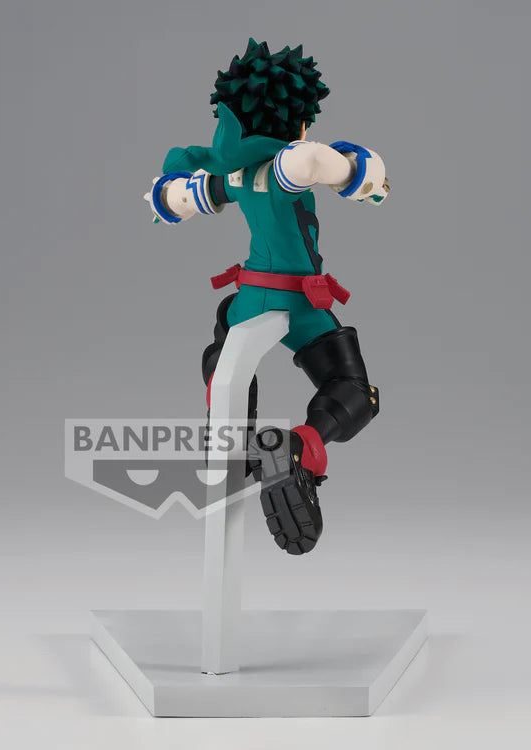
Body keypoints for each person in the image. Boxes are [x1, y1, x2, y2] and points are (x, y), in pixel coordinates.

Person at [146, 39, 389, 554]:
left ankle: (233, 433)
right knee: (354, 390)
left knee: (226, 341)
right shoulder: (286, 167)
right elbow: (319, 163)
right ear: (297, 122)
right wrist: (356, 172)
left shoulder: (234, 175)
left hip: (250, 296)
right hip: (299, 302)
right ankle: (299, 446)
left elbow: (176, 199)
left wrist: (173, 191)